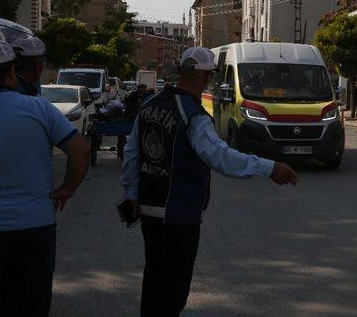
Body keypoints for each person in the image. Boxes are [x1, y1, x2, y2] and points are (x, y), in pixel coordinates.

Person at [120, 47, 299, 317]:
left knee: (155, 278)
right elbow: (221, 156)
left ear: (180, 71)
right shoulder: (193, 116)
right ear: (206, 77)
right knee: (174, 289)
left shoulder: (149, 105)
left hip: (149, 211)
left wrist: (131, 193)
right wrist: (269, 167)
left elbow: (132, 153)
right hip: (180, 215)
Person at [0, 39, 90, 316]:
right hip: (33, 229)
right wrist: (67, 189)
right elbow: (80, 151)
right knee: (29, 305)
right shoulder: (38, 108)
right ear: (11, 73)